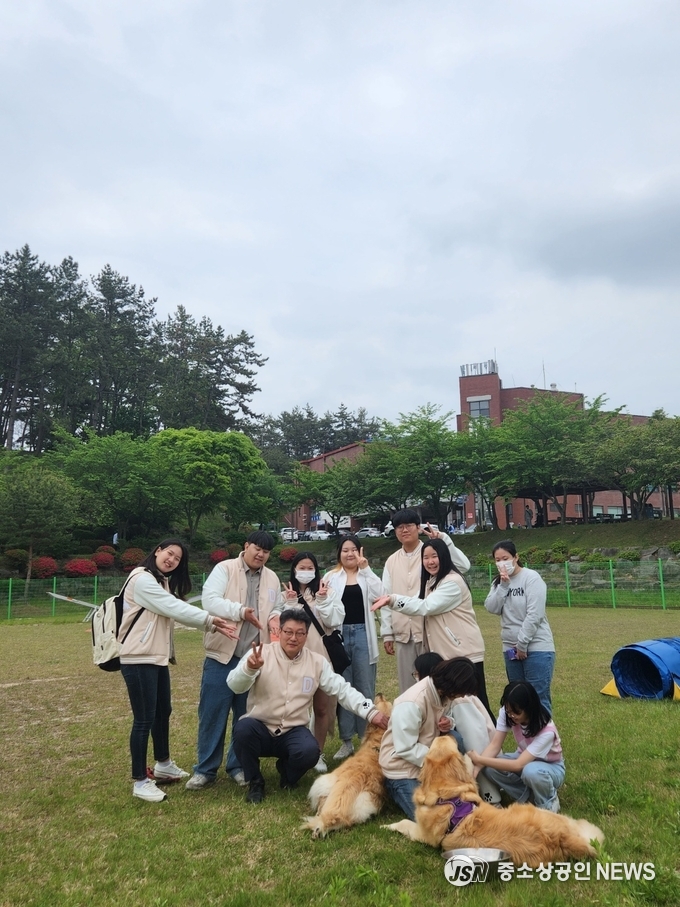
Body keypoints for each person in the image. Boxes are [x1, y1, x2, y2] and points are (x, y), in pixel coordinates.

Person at [228, 609, 389, 803]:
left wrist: (370, 711)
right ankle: (255, 782)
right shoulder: (261, 654)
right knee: (242, 730)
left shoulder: (317, 662)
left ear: (306, 635)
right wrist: (249, 669)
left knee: (310, 751)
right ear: (279, 631)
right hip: (260, 727)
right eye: (288, 632)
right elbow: (234, 685)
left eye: (300, 633)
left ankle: (287, 774)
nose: (293, 638)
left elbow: (342, 689)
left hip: (292, 731)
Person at [118, 539, 237, 802]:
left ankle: (163, 764)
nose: (171, 560)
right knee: (143, 719)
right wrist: (209, 620)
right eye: (169, 554)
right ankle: (140, 781)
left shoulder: (160, 581)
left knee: (163, 712)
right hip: (137, 658)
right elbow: (173, 607)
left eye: (177, 559)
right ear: (157, 551)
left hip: (155, 658)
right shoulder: (142, 579)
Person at [185, 530, 284, 791]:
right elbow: (210, 601)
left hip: (253, 658)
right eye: (257, 548)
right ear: (246, 546)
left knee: (245, 716)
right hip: (221, 655)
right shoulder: (225, 569)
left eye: (266, 551)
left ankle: (238, 766)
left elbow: (276, 606)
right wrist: (240, 612)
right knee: (212, 714)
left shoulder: (272, 577)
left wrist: (275, 616)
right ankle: (205, 770)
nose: (261, 554)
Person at [372, 536, 493, 718]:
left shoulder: (452, 582)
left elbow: (425, 606)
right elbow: (415, 600)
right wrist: (391, 600)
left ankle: (492, 736)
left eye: (434, 556)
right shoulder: (432, 582)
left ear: (444, 556)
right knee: (456, 707)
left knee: (476, 705)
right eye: (425, 557)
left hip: (464, 653)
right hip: (449, 654)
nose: (430, 561)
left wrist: (393, 600)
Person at [379, 509, 471, 695]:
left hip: (429, 631)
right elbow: (386, 596)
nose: (404, 530)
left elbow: (463, 566)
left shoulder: (431, 553)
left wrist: (444, 541)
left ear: (418, 528)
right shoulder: (391, 561)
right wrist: (387, 633)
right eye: (399, 527)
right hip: (403, 632)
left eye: (409, 525)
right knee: (408, 688)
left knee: (435, 686)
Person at [379, 657, 479, 820]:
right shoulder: (411, 703)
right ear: (453, 685)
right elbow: (405, 748)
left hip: (430, 759)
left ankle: (452, 782)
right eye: (462, 691)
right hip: (403, 768)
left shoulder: (444, 693)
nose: (462, 695)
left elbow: (446, 716)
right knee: (431, 819)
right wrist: (443, 762)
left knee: (455, 738)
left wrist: (449, 722)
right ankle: (395, 788)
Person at [283, 551, 345, 773]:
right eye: (302, 567)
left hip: (321, 657)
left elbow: (335, 620)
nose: (306, 572)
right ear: (294, 569)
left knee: (321, 707)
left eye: (310, 568)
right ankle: (293, 751)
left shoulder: (326, 591)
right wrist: (290, 603)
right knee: (293, 707)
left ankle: (317, 753)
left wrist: (323, 600)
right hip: (294, 658)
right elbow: (284, 626)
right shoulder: (286, 594)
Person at [323, 534, 384, 761]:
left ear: (360, 551)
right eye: (345, 550)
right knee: (344, 687)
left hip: (362, 634)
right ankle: (346, 741)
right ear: (339, 553)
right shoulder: (331, 577)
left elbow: (381, 595)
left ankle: (367, 739)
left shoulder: (366, 575)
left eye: (353, 550)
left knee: (365, 686)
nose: (349, 554)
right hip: (339, 635)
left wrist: (366, 569)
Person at [412, 652, 500, 804]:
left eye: (417, 674)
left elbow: (476, 739)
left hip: (480, 761)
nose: (415, 677)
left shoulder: (460, 701)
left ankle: (489, 795)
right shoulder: (424, 696)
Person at [468, 681, 565, 813]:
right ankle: (528, 798)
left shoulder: (547, 731)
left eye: (516, 712)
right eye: (509, 711)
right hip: (523, 758)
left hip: (551, 767)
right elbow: (495, 745)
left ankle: (548, 802)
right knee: (489, 767)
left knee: (531, 771)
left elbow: (518, 765)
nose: (512, 715)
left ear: (529, 708)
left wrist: (479, 759)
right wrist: (476, 769)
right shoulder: (507, 712)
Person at [484, 540, 555, 714]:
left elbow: (535, 614)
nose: (502, 563)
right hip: (510, 648)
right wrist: (504, 586)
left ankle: (543, 731)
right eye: (497, 560)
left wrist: (522, 644)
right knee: (517, 697)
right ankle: (523, 731)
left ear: (516, 557)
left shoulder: (531, 578)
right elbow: (491, 607)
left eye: (505, 558)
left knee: (537, 696)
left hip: (536, 647)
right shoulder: (498, 583)